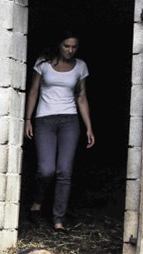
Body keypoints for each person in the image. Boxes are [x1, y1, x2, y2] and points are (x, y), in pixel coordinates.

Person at [24, 29, 95, 232]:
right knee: (46, 170)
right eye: (67, 46)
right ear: (59, 45)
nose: (70, 50)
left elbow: (81, 97)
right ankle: (37, 203)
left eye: (74, 46)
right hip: (44, 119)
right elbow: (33, 91)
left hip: (69, 121)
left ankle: (58, 219)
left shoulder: (81, 66)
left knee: (65, 171)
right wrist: (27, 119)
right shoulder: (43, 63)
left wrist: (89, 127)